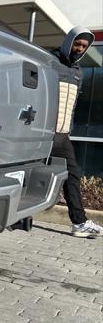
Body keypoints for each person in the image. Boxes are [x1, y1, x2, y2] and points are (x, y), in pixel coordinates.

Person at [50, 27, 102, 238]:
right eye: (76, 44)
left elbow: (70, 105)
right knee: (29, 173)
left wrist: (68, 130)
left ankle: (79, 223)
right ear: (68, 41)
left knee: (73, 174)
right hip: (42, 133)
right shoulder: (51, 62)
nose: (79, 49)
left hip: (62, 136)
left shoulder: (79, 72)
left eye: (83, 46)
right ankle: (18, 215)